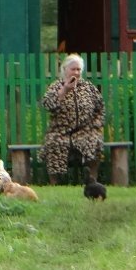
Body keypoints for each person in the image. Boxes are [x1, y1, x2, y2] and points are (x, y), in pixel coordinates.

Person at [40, 54, 106, 186]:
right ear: (65, 70)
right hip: (60, 130)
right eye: (73, 69)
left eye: (78, 69)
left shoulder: (88, 88)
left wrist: (96, 124)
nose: (76, 72)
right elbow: (47, 104)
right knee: (54, 143)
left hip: (85, 130)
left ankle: (92, 180)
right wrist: (64, 90)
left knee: (94, 141)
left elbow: (100, 108)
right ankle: (55, 183)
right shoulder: (56, 87)